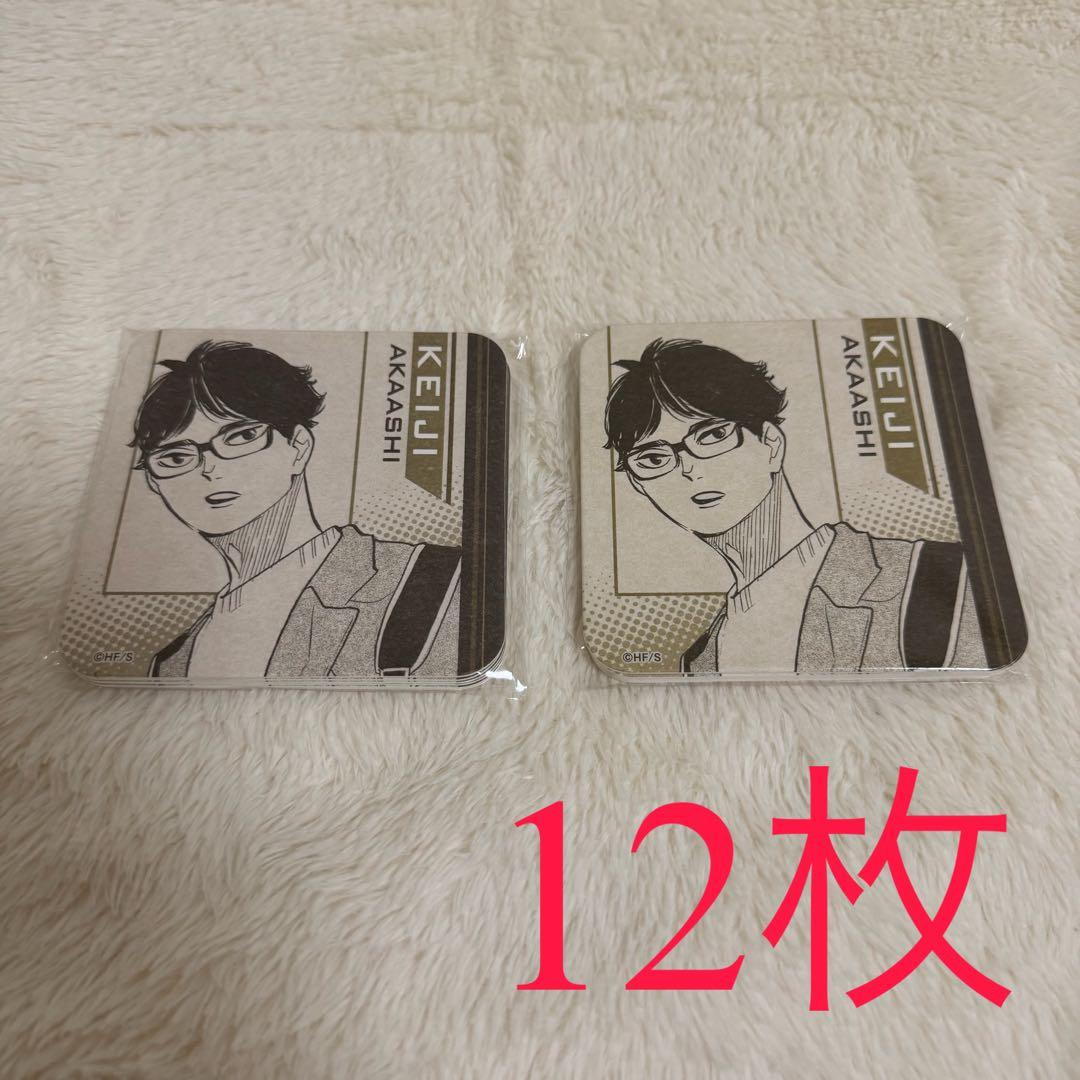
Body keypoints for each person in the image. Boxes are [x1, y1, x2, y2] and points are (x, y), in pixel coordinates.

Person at [603, 338, 986, 674]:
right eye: (653, 459)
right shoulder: (699, 659)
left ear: (771, 443)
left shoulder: (935, 574)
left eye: (713, 435)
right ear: (639, 484)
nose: (688, 470)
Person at [131, 340, 460, 679]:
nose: (209, 469)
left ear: (298, 447)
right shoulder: (171, 662)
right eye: (175, 457)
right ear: (155, 481)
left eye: (241, 436)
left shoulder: (431, 582)